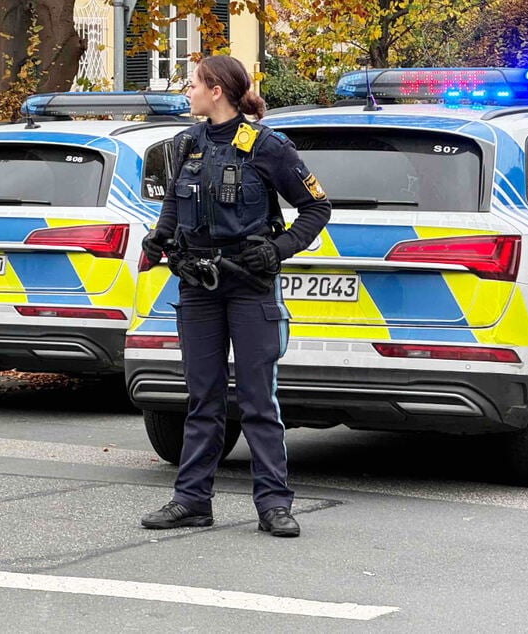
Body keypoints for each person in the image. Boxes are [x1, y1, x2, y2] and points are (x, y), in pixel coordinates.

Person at [140, 55, 331, 537]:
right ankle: (192, 501)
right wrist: (160, 238)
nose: (188, 92)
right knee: (202, 398)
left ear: (217, 91)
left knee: (256, 400)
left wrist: (279, 248)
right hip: (198, 286)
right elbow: (173, 201)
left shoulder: (269, 146)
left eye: (194, 85)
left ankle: (273, 504)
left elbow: (316, 207)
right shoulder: (188, 143)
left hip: (248, 286)